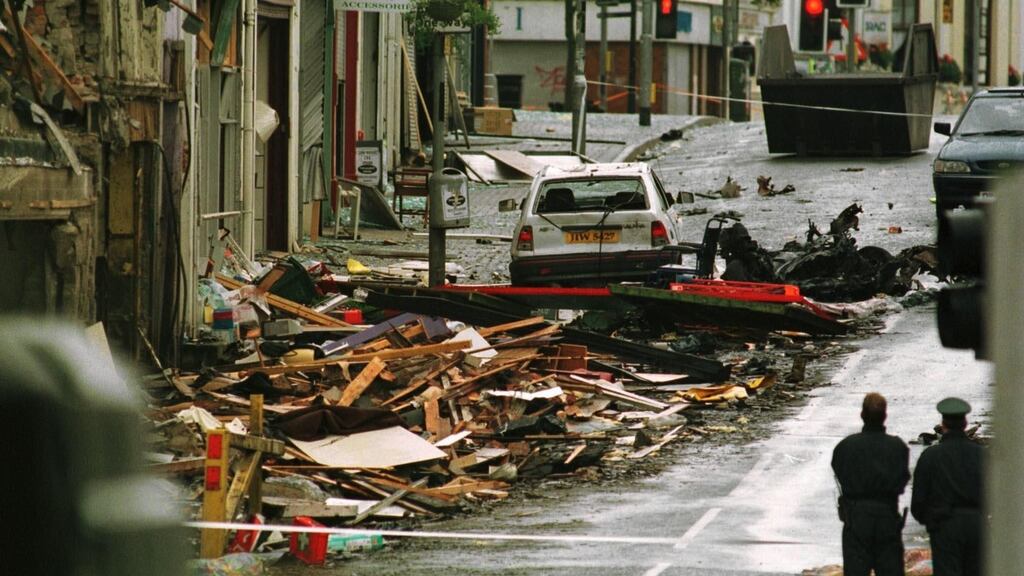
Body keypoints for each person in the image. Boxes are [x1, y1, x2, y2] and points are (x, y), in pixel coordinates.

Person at [831, 392, 911, 576]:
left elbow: (839, 471)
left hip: (856, 517)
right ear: (885, 416)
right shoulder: (897, 447)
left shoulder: (846, 446)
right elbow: (903, 478)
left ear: (862, 415)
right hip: (887, 515)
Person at [911, 397, 984, 576]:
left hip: (945, 525)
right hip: (976, 524)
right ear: (965, 423)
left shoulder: (930, 456)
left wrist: (931, 522)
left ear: (943, 424)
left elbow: (919, 500)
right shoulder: (982, 455)